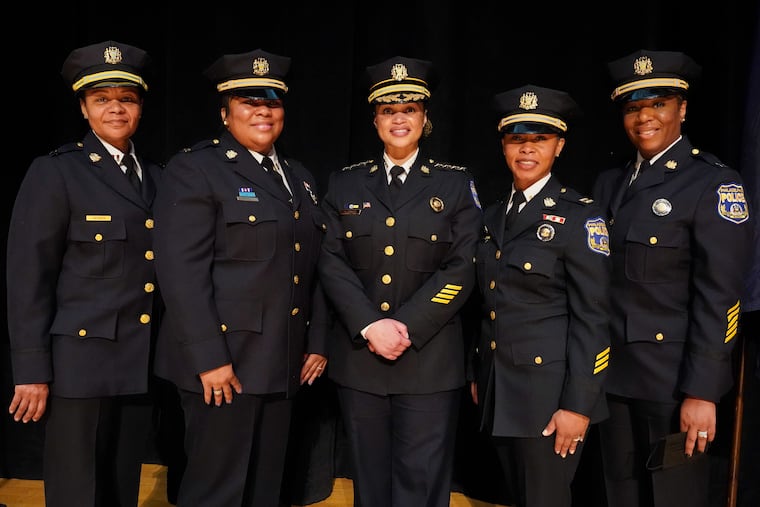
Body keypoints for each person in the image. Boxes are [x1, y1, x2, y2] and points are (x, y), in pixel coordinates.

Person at [152, 48, 328, 507]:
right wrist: (210, 358)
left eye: (272, 102)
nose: (263, 112)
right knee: (217, 491)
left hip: (281, 360)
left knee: (264, 490)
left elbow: (315, 269)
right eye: (249, 102)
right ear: (225, 112)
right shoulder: (196, 169)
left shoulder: (299, 177)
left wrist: (317, 341)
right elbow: (181, 273)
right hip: (224, 364)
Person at [317, 55, 483, 507]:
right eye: (389, 110)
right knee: (368, 486)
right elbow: (331, 262)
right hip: (361, 360)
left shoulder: (454, 185)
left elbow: (463, 265)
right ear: (375, 120)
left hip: (429, 362)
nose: (399, 119)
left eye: (409, 109)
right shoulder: (345, 184)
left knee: (422, 486)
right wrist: (371, 325)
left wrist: (406, 326)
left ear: (425, 117)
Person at [592, 49, 753, 507]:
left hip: (672, 382)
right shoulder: (609, 184)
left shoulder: (713, 184)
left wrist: (702, 390)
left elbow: (720, 297)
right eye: (633, 107)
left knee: (672, 499)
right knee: (618, 496)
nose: (645, 117)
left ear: (682, 109)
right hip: (611, 378)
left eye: (658, 104)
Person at [6, 40, 161, 507]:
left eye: (127, 99)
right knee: (77, 490)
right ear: (83, 107)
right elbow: (27, 275)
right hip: (78, 360)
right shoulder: (56, 172)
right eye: (102, 99)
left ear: (140, 106)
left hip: (139, 358)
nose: (116, 108)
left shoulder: (159, 175)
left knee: (121, 485)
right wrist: (31, 369)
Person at [468, 84, 612, 507]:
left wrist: (578, 406)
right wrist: (479, 372)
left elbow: (593, 319)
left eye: (540, 139)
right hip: (500, 393)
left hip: (550, 402)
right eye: (517, 139)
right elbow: (489, 303)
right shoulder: (493, 215)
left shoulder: (579, 217)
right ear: (503, 145)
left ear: (559, 145)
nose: (526, 150)